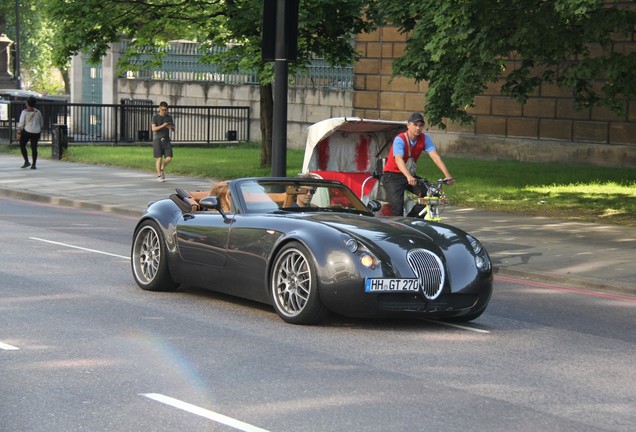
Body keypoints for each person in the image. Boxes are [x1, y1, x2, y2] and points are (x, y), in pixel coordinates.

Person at [382, 112, 454, 216]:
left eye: (420, 125)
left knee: (433, 194)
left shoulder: (424, 138)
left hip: (409, 176)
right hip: (392, 176)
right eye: (415, 125)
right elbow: (398, 159)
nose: (418, 128)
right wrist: (408, 176)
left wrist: (448, 176)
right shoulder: (400, 139)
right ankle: (398, 227)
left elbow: (435, 157)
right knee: (397, 209)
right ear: (408, 125)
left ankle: (412, 220)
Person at [17, 96, 44, 170]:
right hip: (36, 132)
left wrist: (19, 133)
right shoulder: (38, 112)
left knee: (22, 145)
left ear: (27, 103)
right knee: (34, 147)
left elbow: (21, 124)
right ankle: (34, 164)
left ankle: (26, 161)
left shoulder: (24, 112)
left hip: (27, 131)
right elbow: (41, 123)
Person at [151, 101, 175, 182]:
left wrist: (170, 127)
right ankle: (159, 176)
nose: (164, 112)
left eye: (166, 110)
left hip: (166, 139)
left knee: (169, 158)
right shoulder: (155, 117)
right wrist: (163, 126)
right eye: (163, 110)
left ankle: (162, 169)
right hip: (157, 139)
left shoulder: (169, 117)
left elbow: (173, 129)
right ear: (159, 108)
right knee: (159, 158)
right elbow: (153, 129)